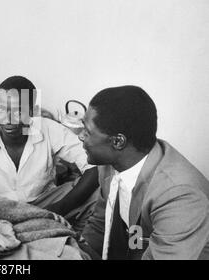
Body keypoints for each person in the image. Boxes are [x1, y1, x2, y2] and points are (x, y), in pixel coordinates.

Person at [0, 75, 99, 231]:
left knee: (96, 195)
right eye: (1, 109)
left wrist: (57, 209)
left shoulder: (49, 129)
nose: (7, 119)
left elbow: (94, 166)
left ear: (33, 111)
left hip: (42, 204)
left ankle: (77, 240)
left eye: (18, 111)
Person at [80, 85, 209, 260]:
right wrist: (78, 253)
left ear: (118, 141)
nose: (80, 136)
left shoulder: (180, 196)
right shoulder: (111, 164)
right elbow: (101, 226)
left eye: (87, 132)